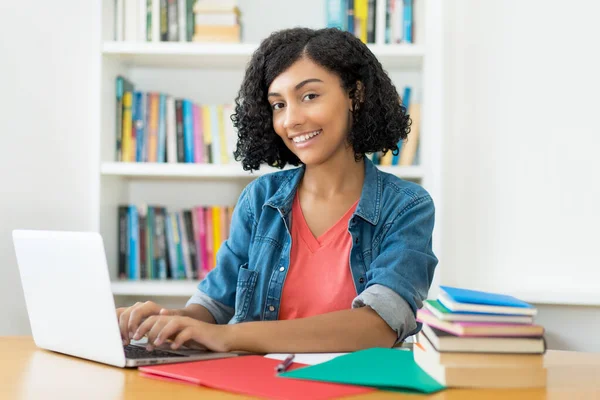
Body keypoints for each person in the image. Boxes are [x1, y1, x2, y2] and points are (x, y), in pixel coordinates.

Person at [117, 27, 438, 354]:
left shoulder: (405, 207)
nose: (291, 120)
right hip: (259, 384)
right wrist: (168, 321)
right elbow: (213, 306)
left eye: (309, 96)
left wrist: (230, 337)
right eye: (278, 104)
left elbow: (378, 326)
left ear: (355, 95)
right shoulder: (260, 200)